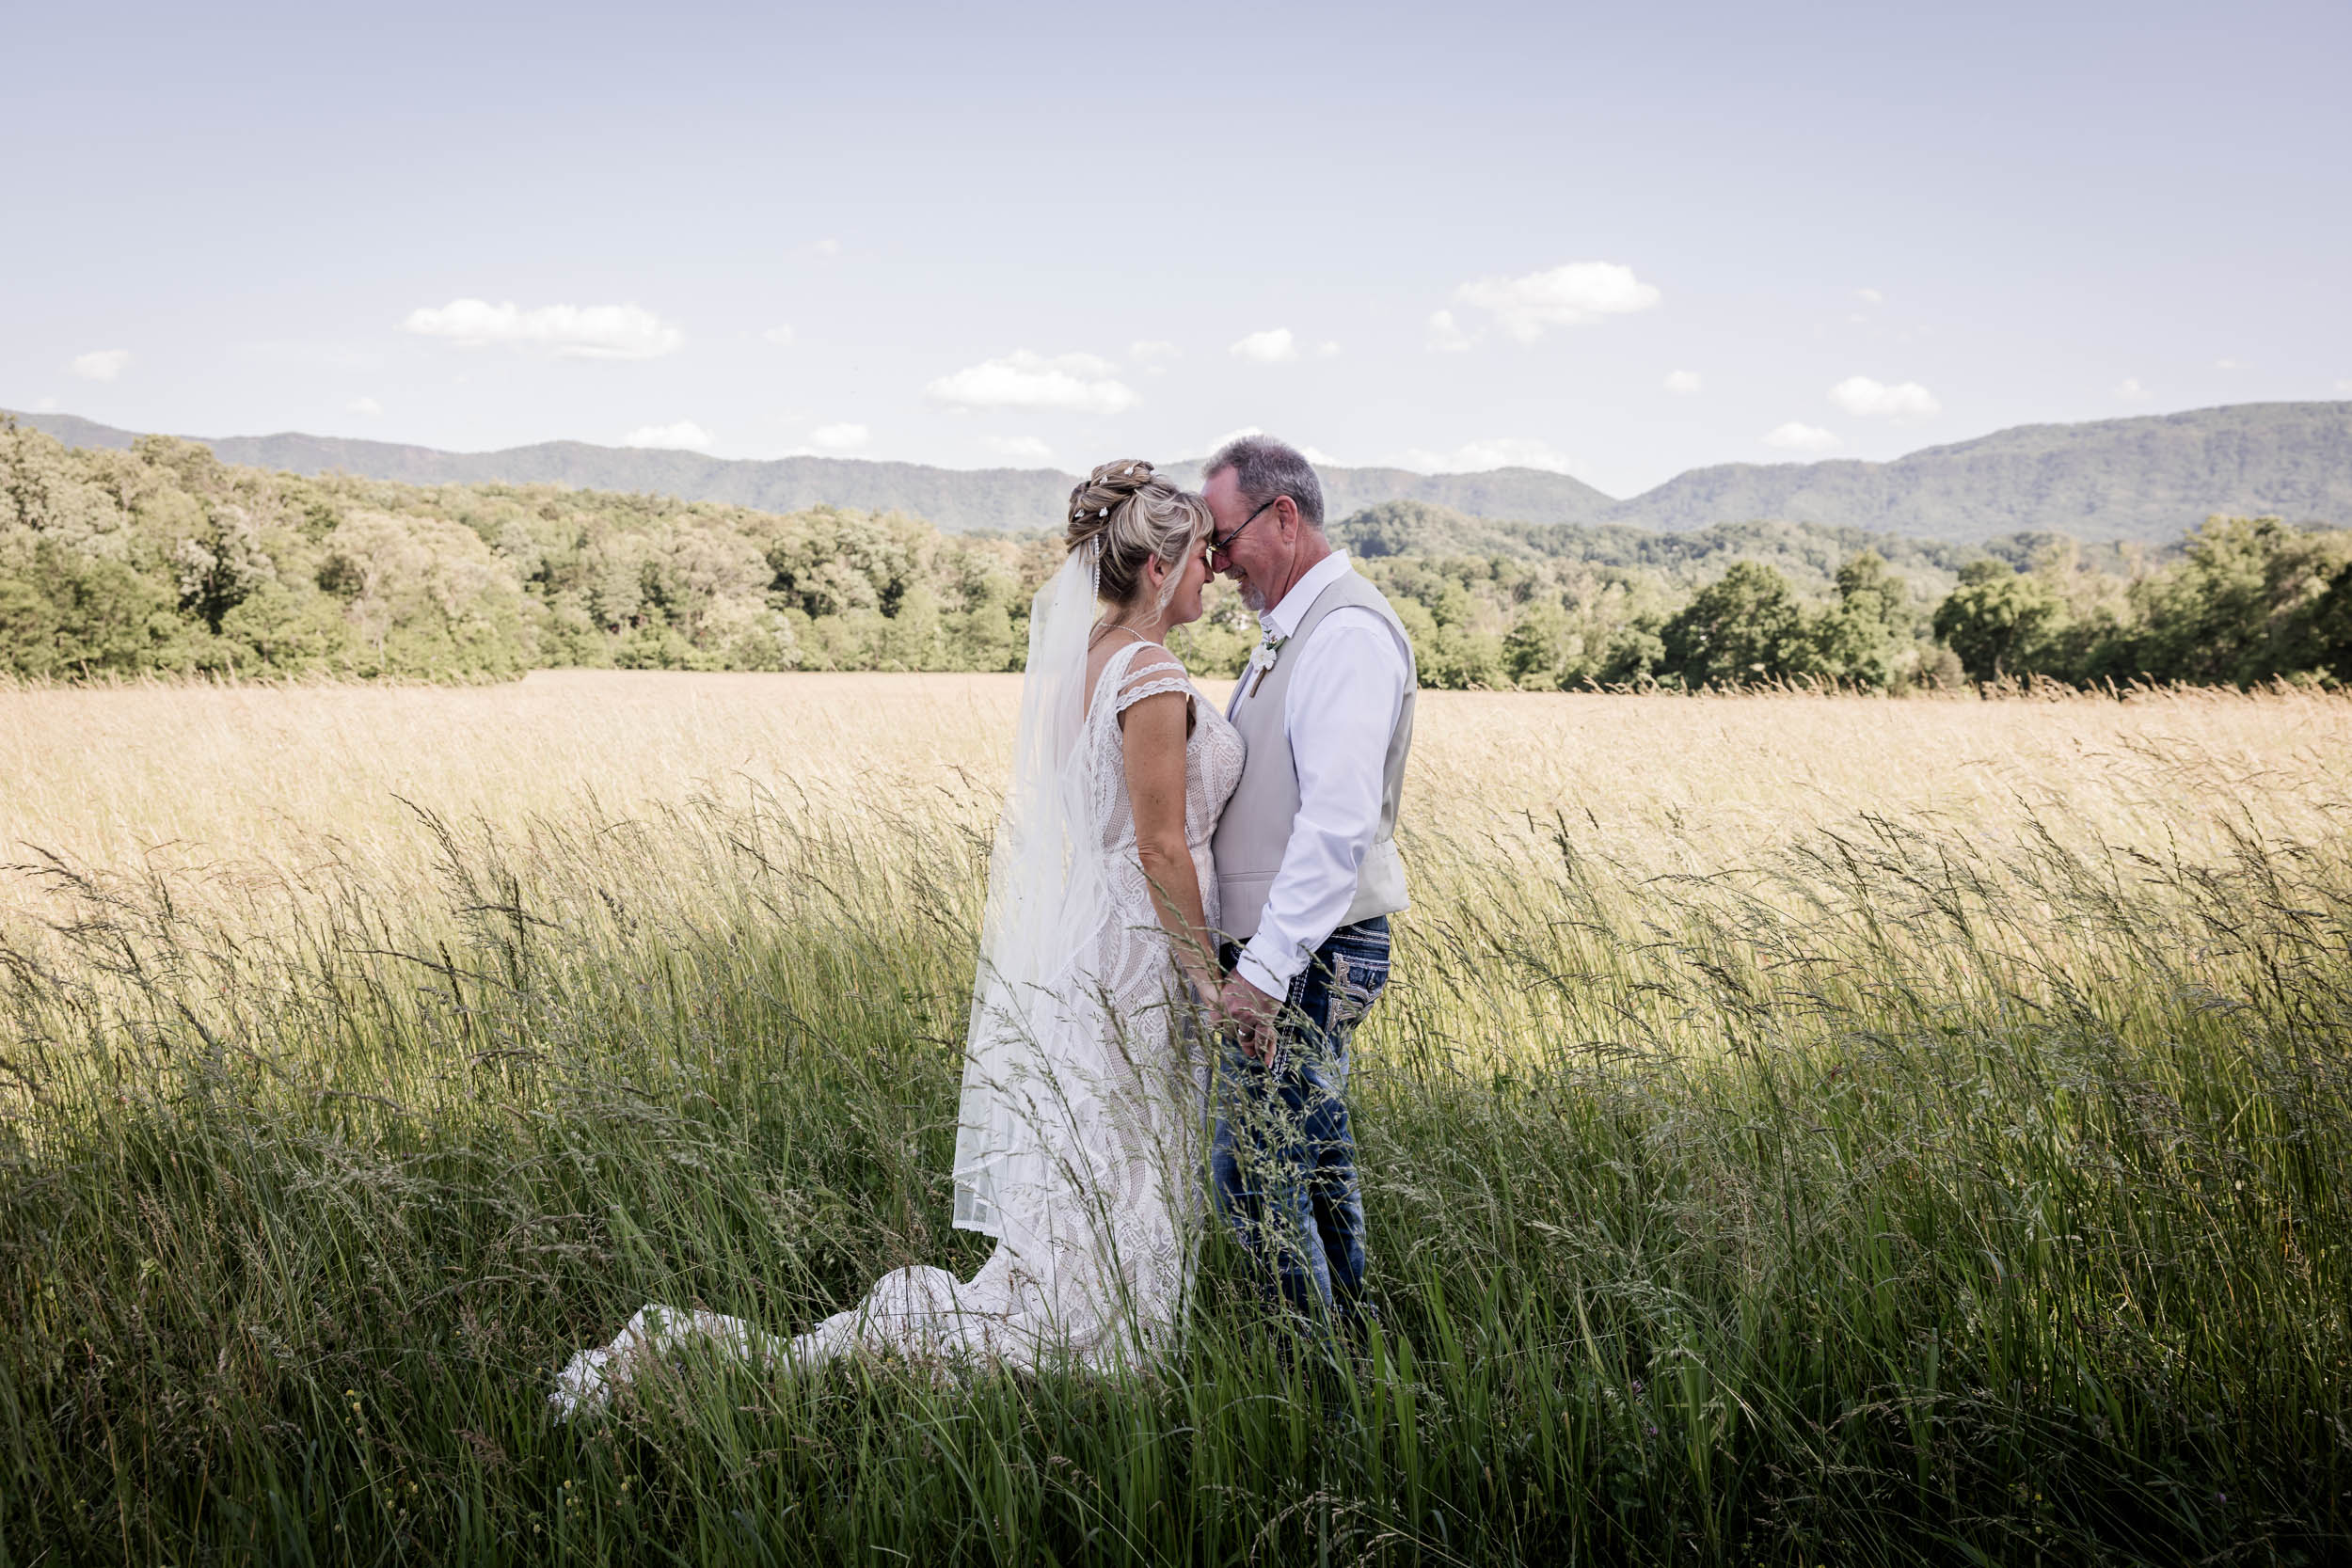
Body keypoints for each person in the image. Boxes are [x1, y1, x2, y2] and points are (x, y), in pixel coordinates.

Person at [551, 460, 1243, 1416]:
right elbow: (1161, 845)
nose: (1216, 571)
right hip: (1136, 947)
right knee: (1127, 1142)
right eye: (1205, 554)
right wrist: (1208, 978)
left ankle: (1087, 1301)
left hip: (1084, 940)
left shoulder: (1083, 662)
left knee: (1099, 1141)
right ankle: (1105, 1335)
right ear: (1161, 564)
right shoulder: (1153, 674)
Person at [1200, 435, 1417, 1336]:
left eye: (1222, 537)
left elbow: (1335, 826)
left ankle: (1316, 1389)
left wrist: (1262, 971)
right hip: (1296, 950)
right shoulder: (1291, 631)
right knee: (1315, 1153)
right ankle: (1359, 1350)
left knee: (1251, 1166)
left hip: (1311, 952)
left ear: (1283, 517)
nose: (1213, 564)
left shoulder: (1348, 635)